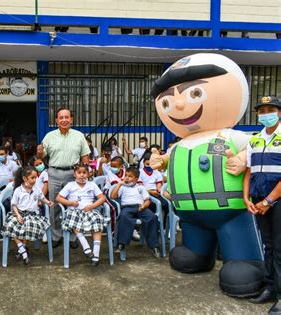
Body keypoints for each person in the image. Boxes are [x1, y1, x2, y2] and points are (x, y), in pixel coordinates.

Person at [149, 53, 264, 297]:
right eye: (168, 102)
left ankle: (246, 261)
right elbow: (166, 161)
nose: (179, 106)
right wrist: (160, 161)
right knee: (191, 250)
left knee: (240, 269)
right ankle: (197, 254)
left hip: (230, 211)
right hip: (191, 215)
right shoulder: (178, 145)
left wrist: (244, 158)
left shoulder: (231, 136)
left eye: (195, 94)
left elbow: (256, 147)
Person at [243, 96, 281, 312]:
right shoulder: (254, 140)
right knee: (268, 246)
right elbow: (249, 172)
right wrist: (246, 198)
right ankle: (269, 287)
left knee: (280, 248)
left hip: (277, 200)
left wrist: (269, 200)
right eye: (262, 110)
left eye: (271, 109)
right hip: (258, 200)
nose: (266, 113)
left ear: (279, 112)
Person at [36, 107, 90, 248]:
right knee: (54, 205)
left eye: (67, 117)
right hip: (54, 173)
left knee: (74, 205)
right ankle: (56, 235)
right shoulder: (49, 136)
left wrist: (85, 173)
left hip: (74, 175)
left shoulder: (79, 136)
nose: (64, 120)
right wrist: (40, 152)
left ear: (71, 119)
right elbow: (42, 156)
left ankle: (73, 236)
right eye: (61, 117)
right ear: (56, 120)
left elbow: (85, 156)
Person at [1, 166, 54, 265]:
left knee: (28, 227)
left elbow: (42, 198)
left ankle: (22, 250)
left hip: (32, 215)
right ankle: (22, 249)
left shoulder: (36, 189)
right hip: (19, 214)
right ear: (25, 178)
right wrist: (17, 215)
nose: (35, 180)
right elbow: (14, 204)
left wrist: (48, 202)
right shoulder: (18, 190)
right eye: (32, 178)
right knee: (10, 226)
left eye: (36, 177)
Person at [57, 163, 107, 266]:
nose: (82, 175)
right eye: (79, 173)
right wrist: (70, 203)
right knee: (74, 220)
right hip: (74, 210)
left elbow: (102, 198)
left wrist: (92, 206)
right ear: (74, 174)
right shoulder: (70, 185)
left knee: (97, 221)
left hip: (89, 210)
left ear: (88, 174)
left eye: (84, 172)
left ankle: (96, 255)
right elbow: (59, 198)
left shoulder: (92, 185)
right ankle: (86, 247)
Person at [110, 167, 160, 258]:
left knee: (152, 217)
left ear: (136, 179)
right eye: (126, 176)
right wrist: (119, 185)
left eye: (130, 176)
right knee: (124, 217)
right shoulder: (123, 187)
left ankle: (154, 246)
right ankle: (122, 243)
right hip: (127, 207)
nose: (127, 178)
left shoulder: (141, 188)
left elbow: (147, 200)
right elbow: (113, 197)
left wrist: (144, 206)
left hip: (141, 207)